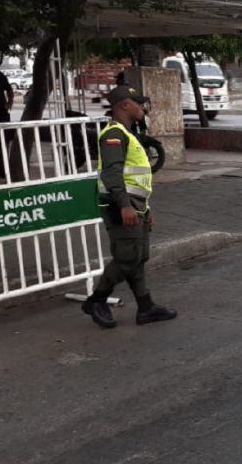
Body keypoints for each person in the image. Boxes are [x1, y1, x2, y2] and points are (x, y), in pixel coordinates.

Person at [80, 85, 177, 329]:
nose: (142, 107)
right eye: (138, 102)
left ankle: (145, 307)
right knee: (127, 257)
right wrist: (125, 206)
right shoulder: (114, 134)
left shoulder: (127, 134)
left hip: (136, 205)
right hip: (120, 205)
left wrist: (146, 208)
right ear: (125, 105)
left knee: (138, 257)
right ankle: (96, 300)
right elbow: (112, 174)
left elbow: (135, 178)